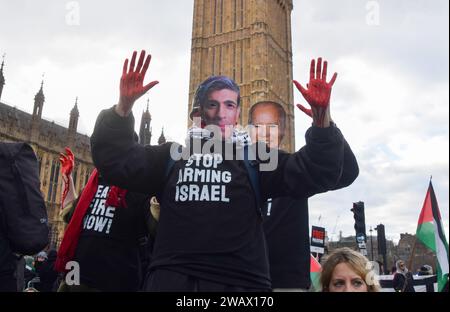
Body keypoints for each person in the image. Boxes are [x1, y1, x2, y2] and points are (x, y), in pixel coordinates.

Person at [91, 50, 356, 291]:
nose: (220, 113)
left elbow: (317, 170)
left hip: (239, 286)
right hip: (172, 283)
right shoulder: (171, 156)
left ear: (237, 115)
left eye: (229, 105)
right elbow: (115, 159)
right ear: (197, 113)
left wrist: (322, 121)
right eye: (212, 105)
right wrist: (123, 108)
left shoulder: (256, 159)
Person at [248, 101, 358, 291]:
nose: (265, 133)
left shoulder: (297, 169)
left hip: (286, 283)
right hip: (243, 281)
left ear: (284, 131)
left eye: (272, 127)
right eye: (258, 126)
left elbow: (347, 171)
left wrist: (326, 124)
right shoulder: (234, 169)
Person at [56, 147, 158, 292]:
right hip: (77, 282)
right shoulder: (94, 185)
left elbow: (156, 226)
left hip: (115, 284)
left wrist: (160, 189)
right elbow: (69, 215)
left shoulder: (139, 187)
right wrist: (67, 178)